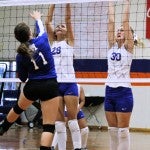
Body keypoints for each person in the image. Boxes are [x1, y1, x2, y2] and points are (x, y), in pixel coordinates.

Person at [0, 10, 60, 150]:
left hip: (32, 86)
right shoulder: (43, 39)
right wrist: (37, 18)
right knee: (48, 125)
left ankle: (3, 128)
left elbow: (23, 78)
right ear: (30, 33)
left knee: (18, 108)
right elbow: (40, 27)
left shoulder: (20, 55)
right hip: (50, 85)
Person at [45, 4, 82, 150]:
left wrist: (67, 3)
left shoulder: (69, 42)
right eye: (58, 26)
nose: (60, 27)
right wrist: (53, 3)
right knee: (59, 123)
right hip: (56, 84)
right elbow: (48, 22)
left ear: (67, 32)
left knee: (72, 120)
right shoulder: (52, 43)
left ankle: (78, 147)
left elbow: (67, 19)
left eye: (63, 26)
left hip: (69, 83)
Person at [104, 0, 136, 150]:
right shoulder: (111, 46)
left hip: (123, 91)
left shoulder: (128, 48)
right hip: (109, 90)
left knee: (123, 132)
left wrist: (127, 3)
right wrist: (110, 2)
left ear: (129, 35)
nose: (119, 31)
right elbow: (111, 21)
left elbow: (125, 20)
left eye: (122, 30)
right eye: (118, 30)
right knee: (112, 132)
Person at [52, 84, 89, 150]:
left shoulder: (79, 87)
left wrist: (77, 109)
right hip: (66, 109)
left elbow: (83, 101)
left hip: (77, 108)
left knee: (85, 129)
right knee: (60, 125)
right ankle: (53, 146)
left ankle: (83, 147)